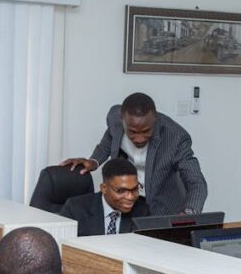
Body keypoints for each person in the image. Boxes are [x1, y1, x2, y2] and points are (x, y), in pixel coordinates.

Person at [60, 92, 208, 215]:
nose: (139, 138)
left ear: (155, 121)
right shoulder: (114, 118)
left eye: (146, 131)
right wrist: (94, 161)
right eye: (132, 132)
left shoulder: (176, 137)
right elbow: (109, 138)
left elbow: (196, 182)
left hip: (162, 207)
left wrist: (189, 214)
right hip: (129, 202)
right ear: (122, 121)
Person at [59, 158, 150, 236]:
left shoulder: (142, 212)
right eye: (121, 191)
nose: (130, 197)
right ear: (104, 188)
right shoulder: (75, 209)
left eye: (135, 189)